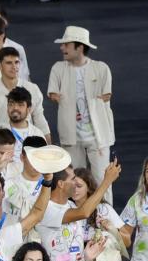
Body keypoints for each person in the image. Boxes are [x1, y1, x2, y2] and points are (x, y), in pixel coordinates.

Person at [47, 26, 116, 196]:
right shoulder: (58, 68)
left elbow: (105, 96)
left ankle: (106, 218)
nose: (62, 48)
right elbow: (52, 93)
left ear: (79, 47)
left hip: (98, 136)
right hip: (71, 136)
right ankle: (76, 218)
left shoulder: (101, 68)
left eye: (66, 45)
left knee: (101, 180)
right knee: (74, 180)